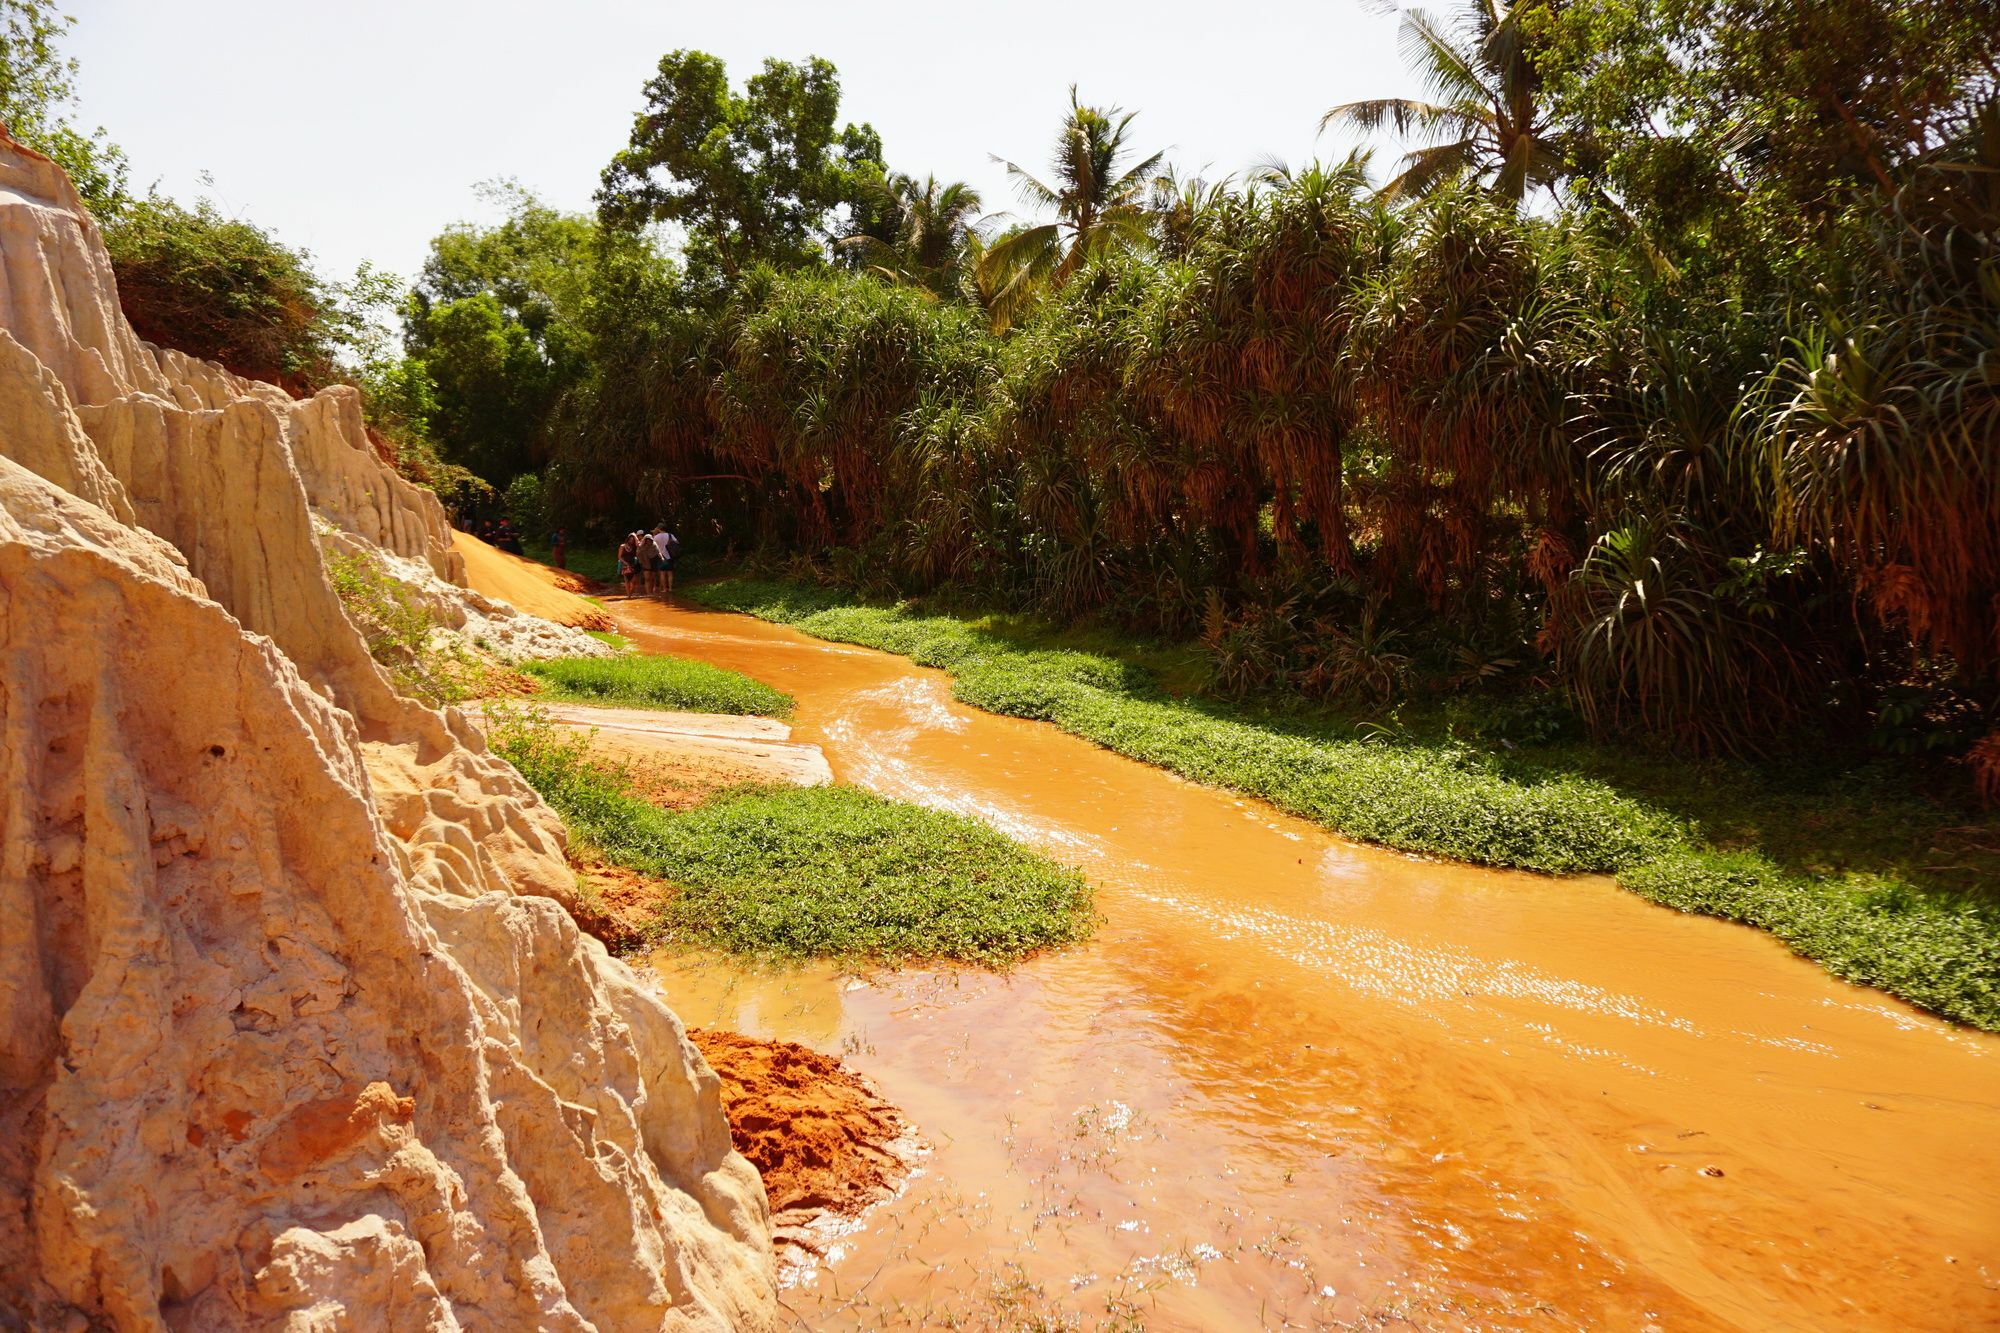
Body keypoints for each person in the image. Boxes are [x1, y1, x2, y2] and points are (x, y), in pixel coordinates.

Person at [651, 523, 680, 594]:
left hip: (661, 556)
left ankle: (664, 589)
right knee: (670, 573)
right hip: (670, 556)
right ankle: (670, 588)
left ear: (659, 528)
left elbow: (653, 546)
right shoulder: (670, 535)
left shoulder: (656, 537)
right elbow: (677, 542)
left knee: (662, 573)